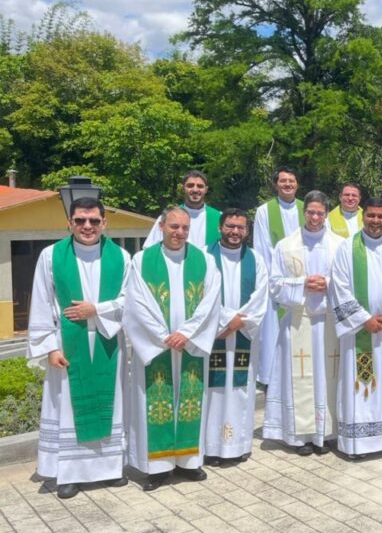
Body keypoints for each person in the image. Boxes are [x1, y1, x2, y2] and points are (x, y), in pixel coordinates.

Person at [28, 197, 131, 499]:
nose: (88, 226)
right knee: (69, 409)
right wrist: (49, 348)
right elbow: (41, 301)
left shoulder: (121, 257)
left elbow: (131, 300)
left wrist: (96, 309)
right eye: (81, 220)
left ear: (104, 223)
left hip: (108, 340)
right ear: (69, 223)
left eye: (94, 221)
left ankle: (110, 469)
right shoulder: (51, 256)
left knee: (110, 405)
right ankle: (69, 474)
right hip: (68, 344)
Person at [124, 207, 221, 492]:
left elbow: (211, 301)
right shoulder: (142, 260)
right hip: (157, 347)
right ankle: (158, 468)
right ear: (161, 227)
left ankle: (189, 462)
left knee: (190, 401)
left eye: (184, 228)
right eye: (174, 227)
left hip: (190, 345)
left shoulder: (204, 260)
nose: (179, 233)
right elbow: (136, 303)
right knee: (156, 402)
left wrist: (187, 333)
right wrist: (163, 337)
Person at [265, 191, 343, 456]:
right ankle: (301, 437)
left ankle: (328, 433)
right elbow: (274, 285)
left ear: (326, 214)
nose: (315, 217)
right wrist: (303, 284)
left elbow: (348, 282)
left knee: (328, 377)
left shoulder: (339, 245)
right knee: (301, 378)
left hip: (329, 322)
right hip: (299, 321)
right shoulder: (285, 246)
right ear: (304, 212)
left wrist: (328, 284)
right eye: (311, 212)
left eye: (320, 213)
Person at [330, 198, 382, 458]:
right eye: (371, 216)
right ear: (364, 217)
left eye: (381, 217)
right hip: (359, 332)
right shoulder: (347, 248)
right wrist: (364, 319)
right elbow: (338, 287)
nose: (375, 221)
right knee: (360, 386)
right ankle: (358, 445)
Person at [205, 209, 268, 466]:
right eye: (230, 226)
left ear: (247, 231)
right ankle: (210, 447)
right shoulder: (205, 257)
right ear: (220, 227)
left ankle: (239, 445)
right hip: (214, 336)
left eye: (240, 227)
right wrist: (225, 320)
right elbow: (201, 296)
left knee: (241, 390)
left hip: (242, 335)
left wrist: (237, 322)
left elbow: (261, 296)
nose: (235, 232)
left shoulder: (256, 259)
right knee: (213, 391)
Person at [253, 166, 302, 386]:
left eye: (291, 181)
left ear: (297, 184)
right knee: (272, 329)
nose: (287, 184)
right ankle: (271, 378)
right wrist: (274, 278)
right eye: (283, 181)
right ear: (276, 184)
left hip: (302, 281)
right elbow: (262, 246)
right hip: (276, 280)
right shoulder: (264, 211)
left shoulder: (307, 208)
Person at [143, 170, 221, 249]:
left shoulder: (220, 218)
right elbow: (149, 249)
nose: (195, 190)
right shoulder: (168, 217)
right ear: (183, 188)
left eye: (200, 186)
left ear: (206, 190)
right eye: (190, 185)